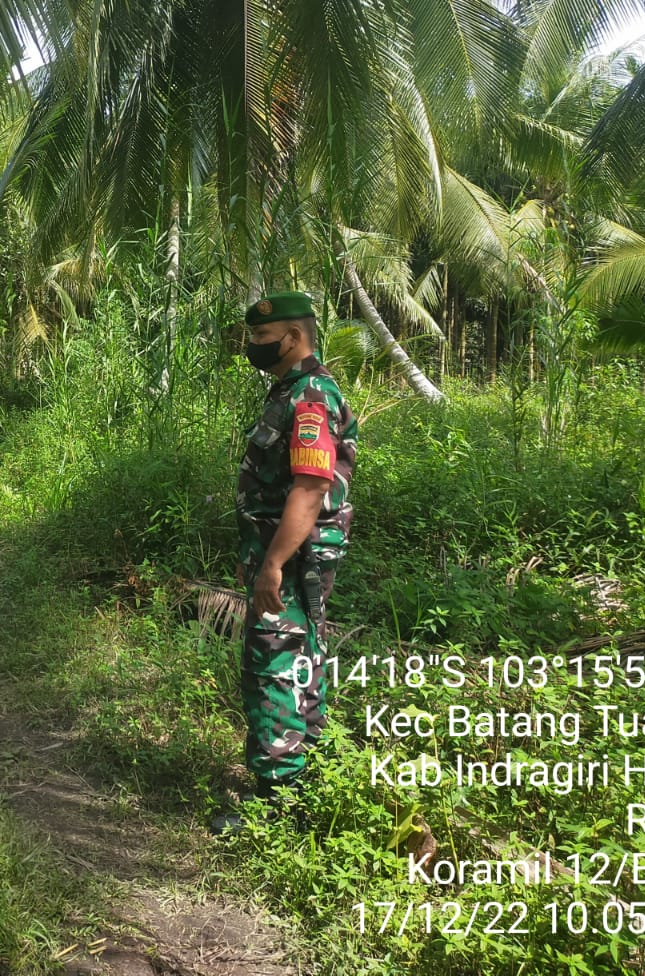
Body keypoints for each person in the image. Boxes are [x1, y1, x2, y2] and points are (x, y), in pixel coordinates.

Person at [217, 291, 357, 833]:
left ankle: (275, 800)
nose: (253, 346)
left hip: (293, 557)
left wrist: (273, 563)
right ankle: (306, 781)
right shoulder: (296, 390)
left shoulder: (311, 397)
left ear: (293, 338)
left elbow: (309, 488)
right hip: (289, 553)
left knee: (273, 662)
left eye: (259, 337)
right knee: (302, 657)